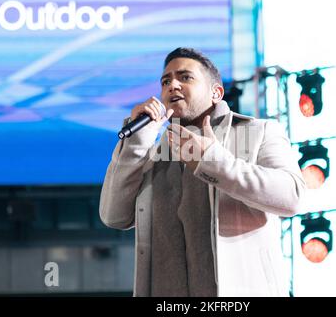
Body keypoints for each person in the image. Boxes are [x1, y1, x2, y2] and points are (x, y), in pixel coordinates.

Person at [99, 47, 306, 297]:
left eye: (185, 77)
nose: (172, 85)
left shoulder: (258, 132)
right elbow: (114, 216)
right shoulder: (153, 155)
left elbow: (292, 196)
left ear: (216, 93)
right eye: (166, 81)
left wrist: (212, 161)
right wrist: (137, 141)